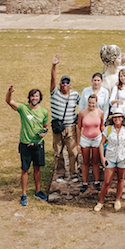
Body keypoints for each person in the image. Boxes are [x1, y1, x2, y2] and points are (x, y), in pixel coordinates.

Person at [5, 85, 49, 205]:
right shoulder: (23, 108)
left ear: (40, 98)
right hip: (26, 144)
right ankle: (24, 194)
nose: (34, 98)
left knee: (37, 168)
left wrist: (44, 133)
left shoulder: (44, 112)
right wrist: (9, 93)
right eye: (32, 96)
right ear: (29, 98)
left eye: (37, 96)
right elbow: (9, 101)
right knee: (25, 169)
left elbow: (46, 126)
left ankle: (38, 191)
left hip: (38, 144)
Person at [94, 111, 125, 212]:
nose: (117, 119)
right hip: (110, 157)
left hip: (123, 157)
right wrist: (102, 157)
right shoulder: (108, 129)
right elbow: (101, 143)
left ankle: (117, 199)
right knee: (107, 181)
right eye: (115, 117)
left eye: (119, 117)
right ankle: (101, 201)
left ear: (122, 118)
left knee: (121, 179)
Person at [49, 54, 80, 182]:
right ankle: (60, 173)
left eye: (67, 83)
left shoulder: (75, 95)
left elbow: (83, 105)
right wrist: (54, 66)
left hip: (71, 127)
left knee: (73, 151)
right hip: (57, 126)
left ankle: (73, 174)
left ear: (70, 85)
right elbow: (53, 79)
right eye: (63, 82)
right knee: (58, 151)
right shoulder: (55, 93)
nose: (65, 85)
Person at [76, 94, 104, 191]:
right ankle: (84, 182)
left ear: (96, 103)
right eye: (89, 103)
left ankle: (96, 181)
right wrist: (78, 143)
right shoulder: (82, 113)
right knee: (85, 161)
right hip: (85, 139)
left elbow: (102, 126)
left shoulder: (100, 113)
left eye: (93, 103)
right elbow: (79, 128)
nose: (91, 105)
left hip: (97, 139)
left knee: (96, 161)